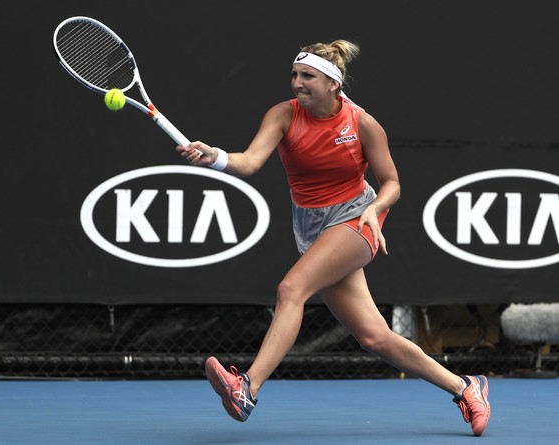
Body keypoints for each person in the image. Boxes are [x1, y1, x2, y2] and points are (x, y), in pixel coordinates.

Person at [177, 40, 491, 436]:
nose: (297, 83)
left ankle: (247, 388)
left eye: (307, 76)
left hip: (358, 220)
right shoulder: (282, 115)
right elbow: (250, 161)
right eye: (294, 75)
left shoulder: (362, 124)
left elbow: (392, 182)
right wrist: (217, 157)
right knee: (375, 337)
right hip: (311, 228)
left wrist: (374, 210)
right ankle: (467, 387)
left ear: (333, 84)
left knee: (291, 288)